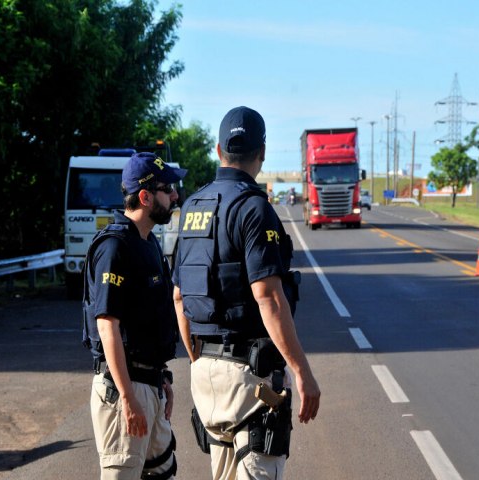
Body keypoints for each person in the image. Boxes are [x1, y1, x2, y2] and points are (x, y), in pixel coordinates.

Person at [172, 106, 320, 480]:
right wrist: (302, 371)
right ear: (263, 152)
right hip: (248, 380)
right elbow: (268, 297)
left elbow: (178, 296)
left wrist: (196, 358)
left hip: (204, 375)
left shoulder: (192, 206)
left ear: (219, 150)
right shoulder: (254, 208)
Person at [82, 151, 187, 480]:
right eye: (167, 189)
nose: (175, 195)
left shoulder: (149, 243)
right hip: (124, 390)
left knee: (162, 473)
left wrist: (162, 377)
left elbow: (146, 323)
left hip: (149, 386)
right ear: (144, 196)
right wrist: (128, 398)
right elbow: (106, 327)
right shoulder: (115, 247)